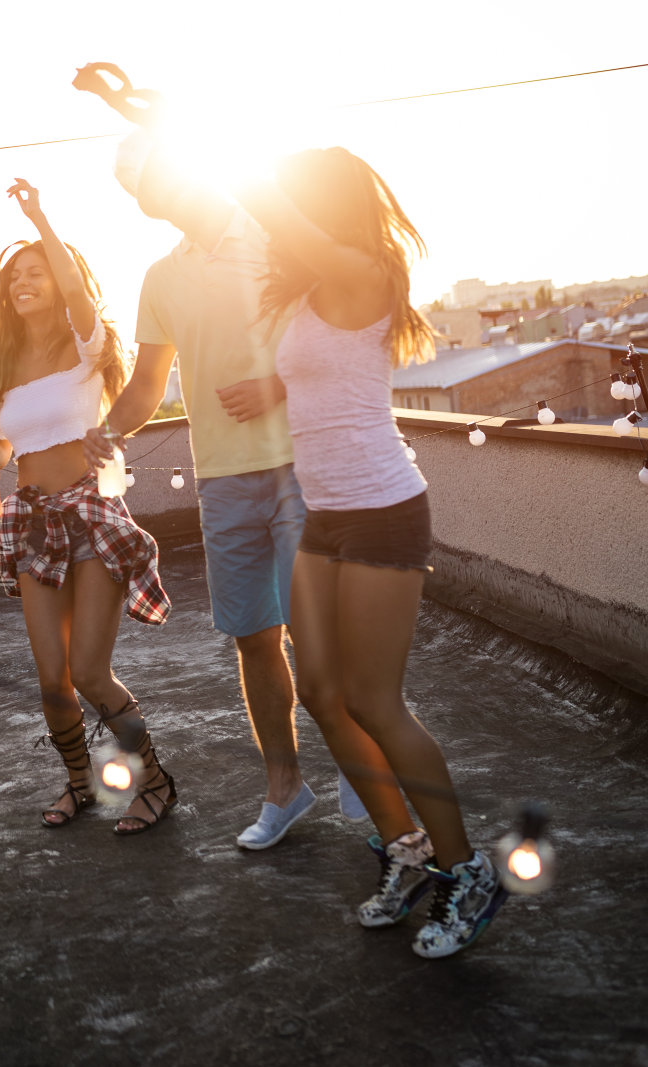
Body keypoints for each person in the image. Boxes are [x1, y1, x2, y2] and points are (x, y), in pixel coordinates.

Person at [74, 62, 365, 851]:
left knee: (318, 636)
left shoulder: (273, 233)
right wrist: (113, 430)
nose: (161, 197)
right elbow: (144, 386)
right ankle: (286, 787)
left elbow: (339, 323)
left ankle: (363, 779)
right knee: (254, 638)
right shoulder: (159, 278)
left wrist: (278, 382)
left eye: (166, 179)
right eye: (146, 193)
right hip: (225, 482)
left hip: (302, 463)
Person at [237, 147, 507, 957]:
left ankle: (468, 870)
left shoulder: (361, 269)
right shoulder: (309, 288)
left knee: (376, 699)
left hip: (386, 509)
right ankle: (407, 850)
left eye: (298, 194)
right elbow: (326, 373)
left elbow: (259, 199)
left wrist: (164, 120)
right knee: (321, 689)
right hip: (326, 514)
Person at [0, 179, 172, 834]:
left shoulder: (86, 346)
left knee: (88, 670)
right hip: (30, 517)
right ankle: (80, 783)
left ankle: (154, 780)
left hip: (88, 514)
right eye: (14, 274)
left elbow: (78, 292)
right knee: (52, 679)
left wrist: (38, 218)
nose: (23, 280)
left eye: (36, 271)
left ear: (57, 278)